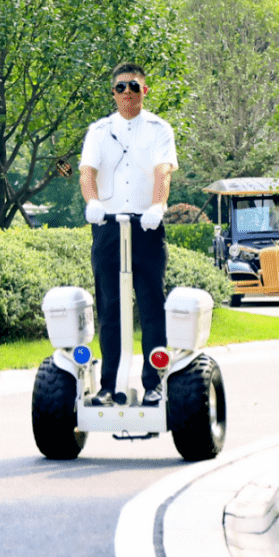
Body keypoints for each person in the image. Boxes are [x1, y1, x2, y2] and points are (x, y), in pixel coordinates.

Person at [78, 63, 177, 407]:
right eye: (120, 87)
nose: (127, 93)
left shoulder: (159, 129)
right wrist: (91, 201)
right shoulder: (99, 130)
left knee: (152, 305)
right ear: (113, 92)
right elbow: (87, 171)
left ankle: (154, 383)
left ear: (144, 91)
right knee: (110, 306)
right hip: (107, 225)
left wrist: (157, 207)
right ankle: (109, 386)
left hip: (146, 225)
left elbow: (162, 171)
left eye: (134, 86)